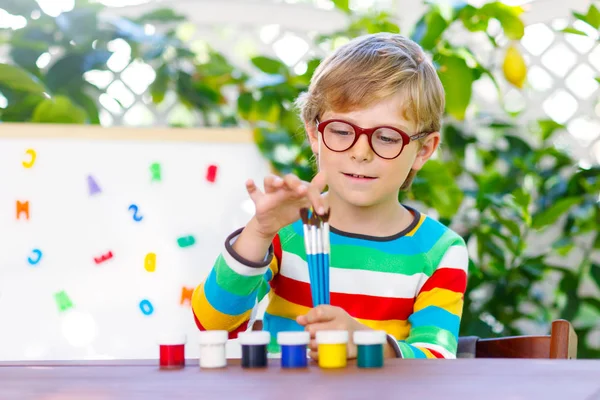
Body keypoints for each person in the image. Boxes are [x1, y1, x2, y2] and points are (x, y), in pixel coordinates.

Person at [191, 32, 469, 360]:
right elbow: (213, 324)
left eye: (387, 137)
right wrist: (260, 231)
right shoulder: (287, 229)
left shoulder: (439, 251)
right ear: (314, 134)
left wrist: (365, 341)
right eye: (341, 131)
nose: (361, 152)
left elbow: (436, 361)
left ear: (423, 150)